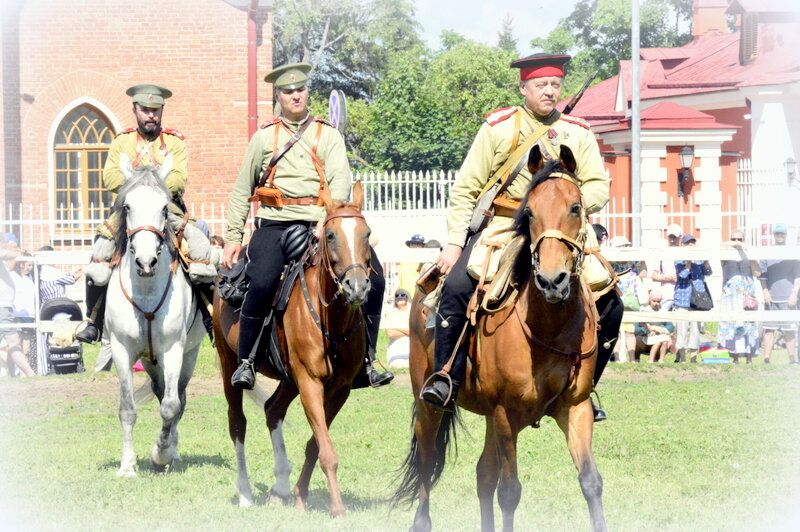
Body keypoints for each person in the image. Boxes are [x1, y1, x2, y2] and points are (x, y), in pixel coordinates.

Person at [420, 53, 622, 420]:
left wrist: (564, 204)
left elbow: (597, 186)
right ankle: (446, 376)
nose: (549, 92)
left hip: (562, 230)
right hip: (505, 225)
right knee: (455, 289)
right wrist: (453, 242)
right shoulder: (499, 127)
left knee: (610, 299)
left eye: (555, 85)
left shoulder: (578, 131)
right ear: (523, 87)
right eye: (541, 85)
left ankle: (585, 389)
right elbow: (465, 188)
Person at [223, 62, 392, 390]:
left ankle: (369, 359)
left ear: (307, 93)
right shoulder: (265, 137)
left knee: (376, 276)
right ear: (279, 96)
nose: (295, 96)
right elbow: (243, 189)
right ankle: (246, 360)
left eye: (300, 90)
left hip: (321, 225)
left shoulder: (327, 135)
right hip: (274, 225)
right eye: (288, 91)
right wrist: (232, 237)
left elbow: (340, 182)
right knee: (261, 281)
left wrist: (323, 222)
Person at [75, 84, 217, 344]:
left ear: (162, 111)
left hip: (167, 209)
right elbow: (110, 177)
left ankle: (210, 319)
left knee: (199, 249)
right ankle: (93, 322)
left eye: (155, 110)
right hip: (127, 210)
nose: (150, 115)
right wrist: (146, 183)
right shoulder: (122, 142)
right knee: (101, 253)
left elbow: (178, 179)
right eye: (145, 110)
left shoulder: (175, 142)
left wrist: (146, 183)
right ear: (135, 110)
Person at [758, 223, 800, 364]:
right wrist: (765, 293)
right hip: (771, 297)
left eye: (782, 234)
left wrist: (794, 294)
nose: (780, 236)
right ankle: (766, 359)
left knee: (789, 330)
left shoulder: (792, 253)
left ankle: (792, 359)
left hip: (788, 298)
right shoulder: (766, 252)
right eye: (777, 234)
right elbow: (762, 276)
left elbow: (797, 276)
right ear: (773, 235)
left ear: (786, 235)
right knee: (769, 330)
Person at [718, 230, 760, 364]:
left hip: (746, 296)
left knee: (748, 324)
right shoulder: (725, 254)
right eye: (734, 239)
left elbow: (758, 273)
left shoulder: (748, 253)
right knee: (731, 324)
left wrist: (751, 257)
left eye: (740, 239)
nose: (737, 241)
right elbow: (719, 245)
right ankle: (734, 357)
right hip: (730, 296)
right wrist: (734, 244)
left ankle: (749, 357)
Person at [673, 234, 712, 363]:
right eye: (688, 243)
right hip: (682, 298)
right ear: (682, 245)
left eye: (693, 242)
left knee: (695, 331)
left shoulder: (700, 258)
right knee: (682, 330)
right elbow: (682, 275)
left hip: (698, 299)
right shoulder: (678, 259)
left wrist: (705, 259)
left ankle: (693, 360)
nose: (691, 245)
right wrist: (689, 262)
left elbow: (708, 272)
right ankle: (683, 360)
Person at [0, 234, 35, 377]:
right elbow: (6, 254)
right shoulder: (3, 253)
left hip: (4, 307)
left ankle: (21, 374)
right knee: (13, 342)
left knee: (13, 343)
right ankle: (30, 374)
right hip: (2, 307)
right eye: (11, 244)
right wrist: (16, 254)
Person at [632, 289, 674, 363]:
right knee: (636, 339)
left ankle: (659, 359)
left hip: (659, 336)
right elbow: (636, 328)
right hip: (645, 337)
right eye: (654, 301)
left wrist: (659, 329)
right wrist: (648, 330)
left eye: (658, 301)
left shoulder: (663, 311)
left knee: (665, 340)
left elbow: (670, 327)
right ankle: (636, 358)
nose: (656, 303)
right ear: (650, 301)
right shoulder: (643, 310)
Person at [650, 223, 682, 310]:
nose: (672, 240)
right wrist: (668, 278)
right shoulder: (662, 253)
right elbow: (653, 276)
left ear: (680, 238)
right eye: (670, 237)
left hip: (682, 296)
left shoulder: (684, 253)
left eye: (674, 237)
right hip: (666, 296)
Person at [384, 289, 411, 368]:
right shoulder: (390, 314)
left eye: (403, 295)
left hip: (410, 347)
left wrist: (397, 328)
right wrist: (407, 331)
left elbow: (414, 332)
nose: (400, 297)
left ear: (407, 297)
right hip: (395, 348)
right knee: (396, 365)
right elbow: (390, 334)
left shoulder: (413, 313)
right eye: (397, 296)